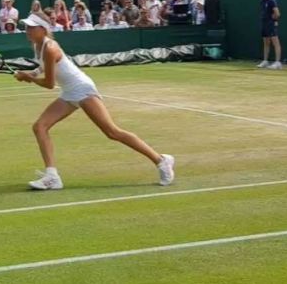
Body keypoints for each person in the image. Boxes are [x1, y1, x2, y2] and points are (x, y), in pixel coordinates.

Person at [14, 12, 175, 190]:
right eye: (26, 27)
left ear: (43, 29)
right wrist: (32, 74)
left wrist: (29, 78)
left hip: (82, 89)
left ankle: (161, 161)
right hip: (69, 92)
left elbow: (50, 84)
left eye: (31, 27)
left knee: (112, 132)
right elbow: (43, 67)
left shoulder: (50, 47)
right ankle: (52, 176)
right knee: (40, 126)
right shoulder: (38, 46)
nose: (27, 30)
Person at [257, 0, 282, 69]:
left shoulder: (272, 0)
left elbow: (277, 13)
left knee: (275, 42)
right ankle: (265, 61)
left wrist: (273, 20)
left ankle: (278, 62)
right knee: (266, 43)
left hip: (271, 24)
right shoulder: (262, 1)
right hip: (264, 24)